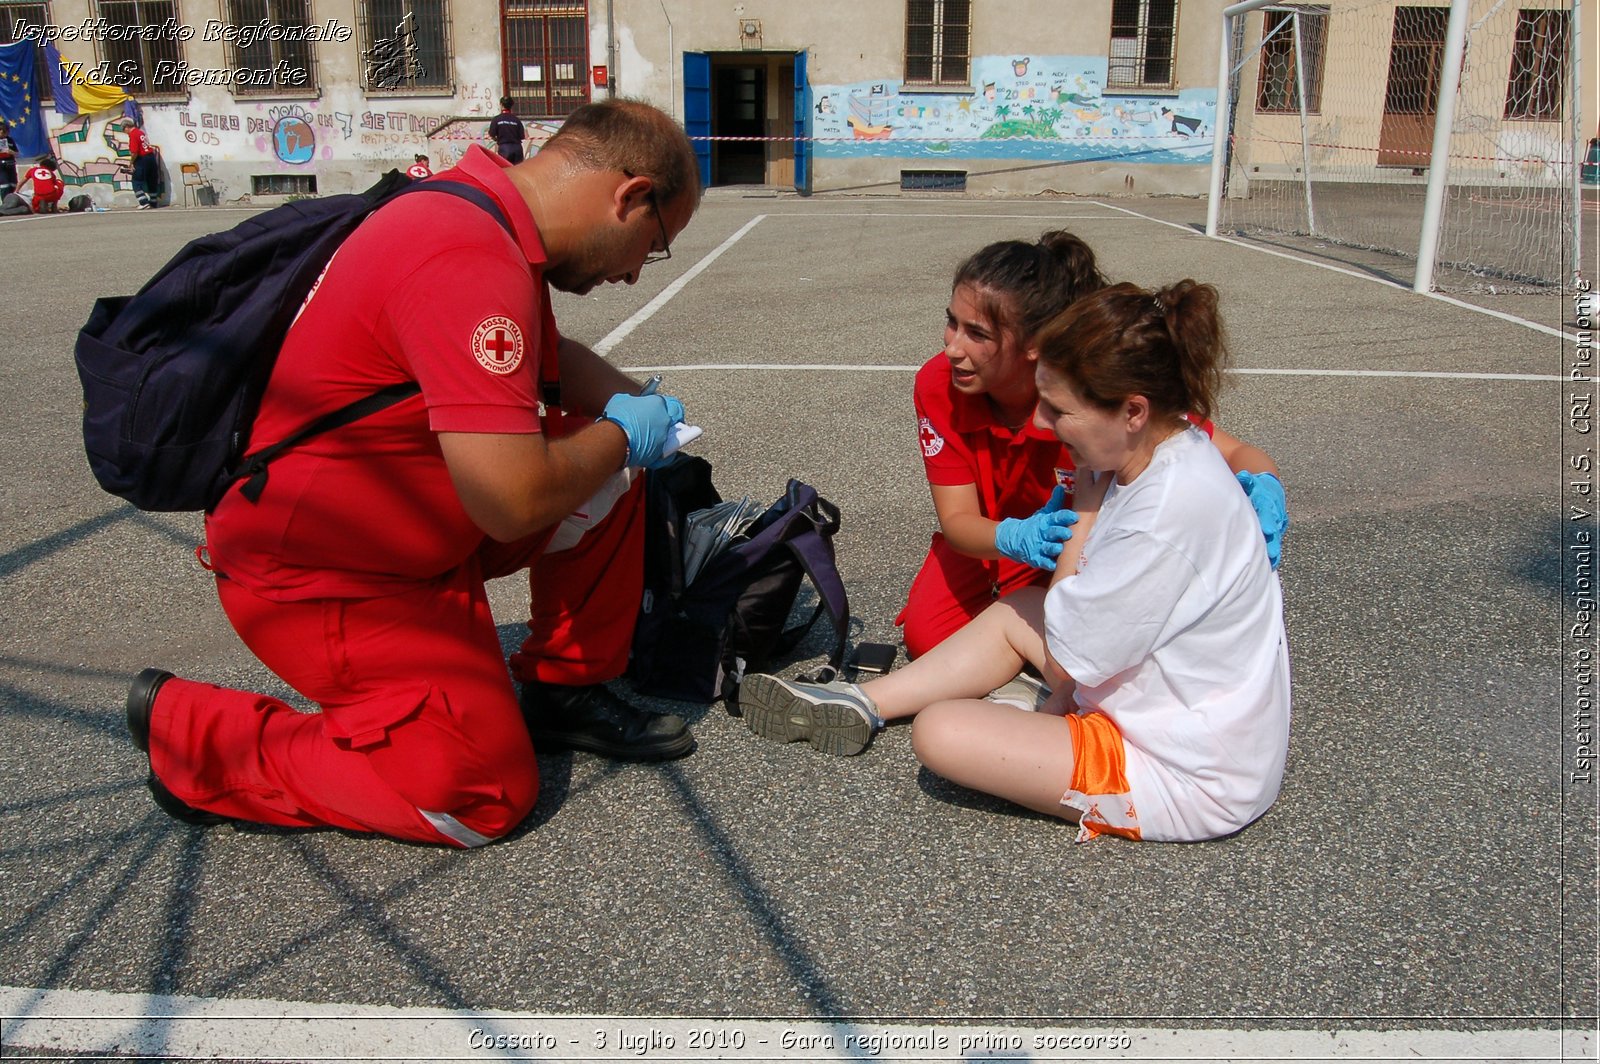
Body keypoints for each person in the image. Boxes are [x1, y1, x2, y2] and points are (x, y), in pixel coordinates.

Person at [125, 99, 702, 847]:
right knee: (480, 797)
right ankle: (198, 735)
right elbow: (507, 498)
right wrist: (625, 433)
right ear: (630, 196)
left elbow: (554, 367)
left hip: (402, 535)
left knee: (608, 470)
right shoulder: (466, 255)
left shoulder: (484, 216)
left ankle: (565, 690)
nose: (632, 277)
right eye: (653, 247)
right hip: (326, 578)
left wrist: (634, 406)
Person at [741, 280, 1291, 844]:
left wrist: (1083, 499)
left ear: (1132, 410)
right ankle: (859, 701)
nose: (1042, 425)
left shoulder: (1158, 514)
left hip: (1184, 775)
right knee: (1017, 609)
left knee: (941, 732)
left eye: (1058, 410)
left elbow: (1076, 656)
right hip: (1206, 729)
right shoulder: (1161, 449)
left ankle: (1008, 713)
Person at [896, 231, 1288, 659]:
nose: (952, 347)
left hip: (1081, 542)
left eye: (977, 333)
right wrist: (1016, 536)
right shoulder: (937, 385)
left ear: (1033, 345)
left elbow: (1235, 452)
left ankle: (1047, 662)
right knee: (926, 638)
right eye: (952, 321)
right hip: (998, 538)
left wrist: (1263, 483)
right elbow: (958, 523)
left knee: (1091, 640)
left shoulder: (1088, 389)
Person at [128, 117, 160, 209]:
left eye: (123, 130)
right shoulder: (140, 132)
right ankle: (153, 201)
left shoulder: (133, 134)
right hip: (151, 157)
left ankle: (143, 202)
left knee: (136, 181)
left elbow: (134, 152)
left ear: (126, 127)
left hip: (141, 159)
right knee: (151, 180)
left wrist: (131, 163)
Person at [488, 97, 526, 164]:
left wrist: (497, 139)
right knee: (518, 170)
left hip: (504, 148)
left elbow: (492, 134)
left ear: (501, 105)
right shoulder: (516, 120)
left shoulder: (496, 119)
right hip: (517, 148)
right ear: (511, 106)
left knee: (506, 170)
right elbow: (522, 136)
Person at [0, 120, 18, 197]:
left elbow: (17, 153)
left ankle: (12, 204)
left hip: (10, 164)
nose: (5, 134)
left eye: (6, 132)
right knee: (5, 185)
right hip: (1, 166)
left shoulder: (10, 140)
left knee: (13, 184)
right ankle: (5, 205)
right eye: (3, 132)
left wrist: (11, 152)